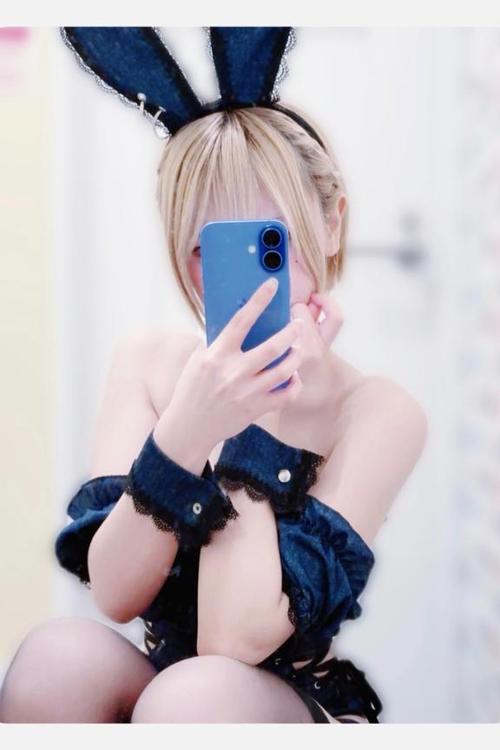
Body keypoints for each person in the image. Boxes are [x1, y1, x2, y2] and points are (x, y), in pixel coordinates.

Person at [0, 29, 428, 724]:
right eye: (210, 248)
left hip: (283, 699)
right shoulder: (147, 363)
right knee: (58, 660)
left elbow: (233, 641)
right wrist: (187, 428)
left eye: (268, 241)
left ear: (330, 223)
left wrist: (258, 415)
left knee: (195, 696)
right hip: (166, 680)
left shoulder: (378, 412)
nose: (243, 280)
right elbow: (115, 593)